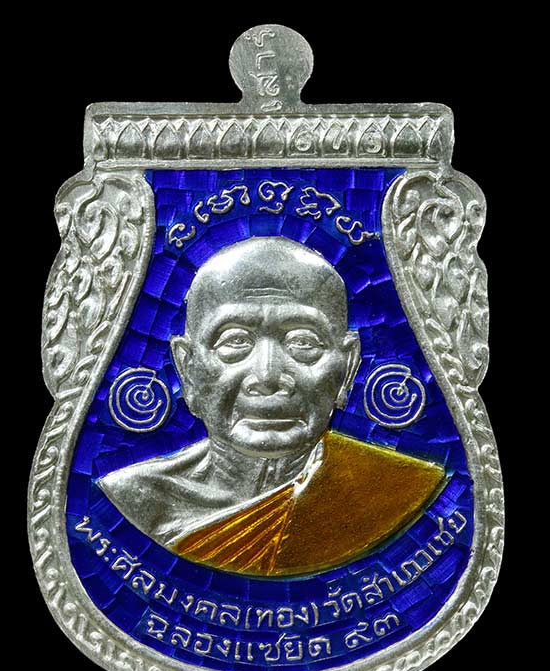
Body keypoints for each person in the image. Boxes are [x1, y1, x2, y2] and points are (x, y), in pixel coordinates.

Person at [98, 237, 445, 576]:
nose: (267, 376)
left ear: (347, 367)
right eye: (235, 341)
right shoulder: (135, 499)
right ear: (187, 368)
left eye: (303, 342)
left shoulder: (401, 491)